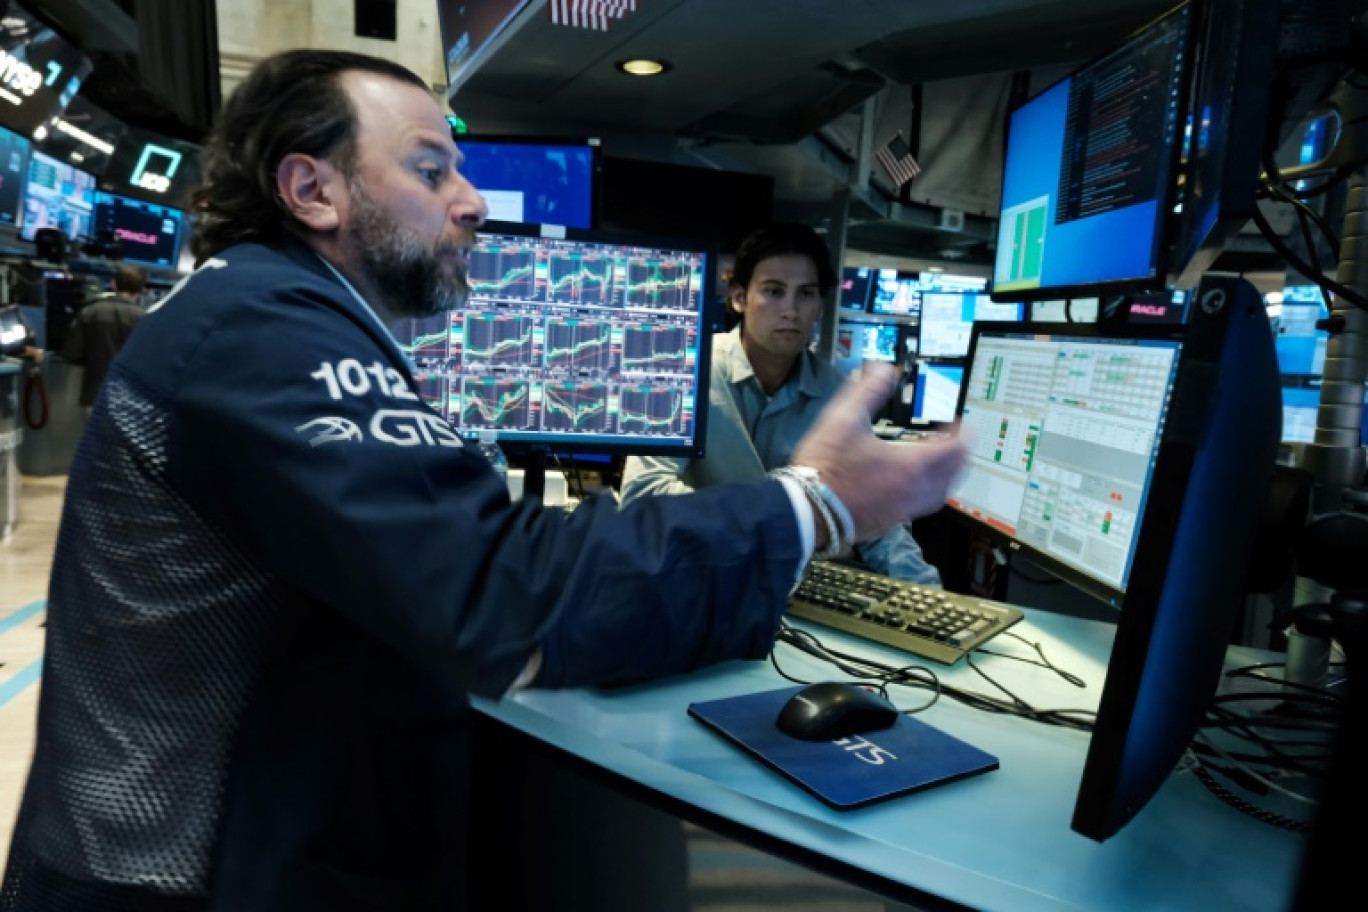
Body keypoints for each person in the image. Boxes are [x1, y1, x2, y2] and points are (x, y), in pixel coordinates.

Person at [0, 50, 965, 912]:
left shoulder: (275, 316)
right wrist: (818, 502)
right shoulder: (261, 330)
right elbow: (500, 593)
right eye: (431, 169)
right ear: (311, 189)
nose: (473, 201)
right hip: (158, 873)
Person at [621, 222, 943, 586]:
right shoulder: (683, 372)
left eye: (805, 294)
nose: (790, 310)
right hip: (701, 577)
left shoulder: (836, 395)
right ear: (739, 298)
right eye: (774, 292)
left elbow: (876, 516)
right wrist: (776, 522)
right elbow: (641, 497)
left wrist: (929, 593)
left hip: (800, 591)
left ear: (820, 305)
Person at [59, 264, 146, 409]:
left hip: (95, 394)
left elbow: (71, 354)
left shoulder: (89, 312)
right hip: (131, 397)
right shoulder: (146, 319)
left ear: (114, 283)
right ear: (141, 289)